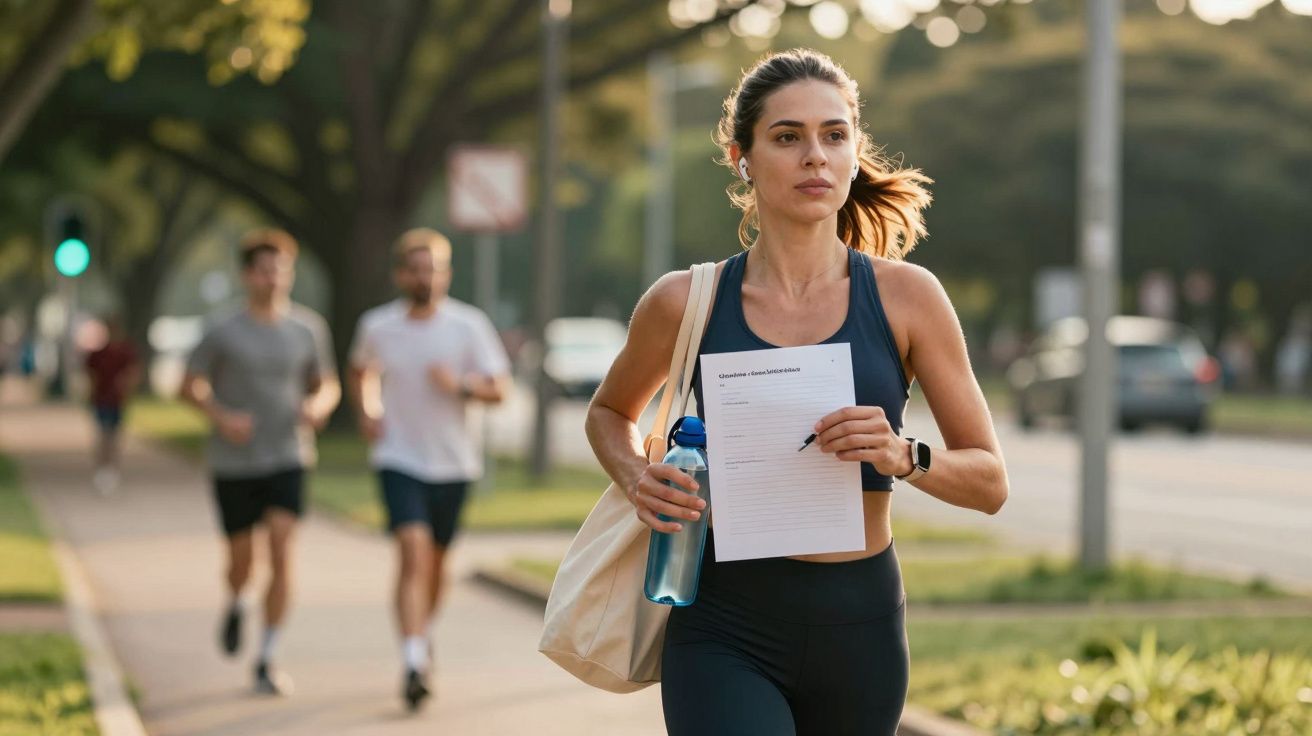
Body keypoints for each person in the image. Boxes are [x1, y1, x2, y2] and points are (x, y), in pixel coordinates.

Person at [585, 49, 1009, 735]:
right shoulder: (683, 301)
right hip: (725, 620)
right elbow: (609, 413)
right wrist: (638, 477)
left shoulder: (909, 297)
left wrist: (904, 455)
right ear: (741, 157)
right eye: (788, 137)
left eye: (834, 135)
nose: (815, 156)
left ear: (853, 150)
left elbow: (989, 482)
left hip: (861, 623)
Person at [347, 228, 511, 711]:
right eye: (416, 269)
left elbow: (499, 391)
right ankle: (414, 659)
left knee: (438, 565)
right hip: (398, 457)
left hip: (454, 464)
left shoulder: (468, 326)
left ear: (446, 274)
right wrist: (367, 409)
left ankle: (423, 631)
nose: (425, 277)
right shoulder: (378, 326)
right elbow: (361, 370)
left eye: (434, 269)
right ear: (401, 274)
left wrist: (458, 385)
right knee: (412, 550)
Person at [179, 229, 339, 696]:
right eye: (265, 270)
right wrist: (221, 416)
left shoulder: (308, 329)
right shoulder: (222, 328)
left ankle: (267, 655)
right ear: (247, 274)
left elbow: (326, 382)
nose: (274, 278)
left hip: (289, 455)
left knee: (283, 552)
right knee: (241, 561)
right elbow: (188, 384)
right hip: (234, 461)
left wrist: (320, 406)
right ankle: (236, 599)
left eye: (281, 269)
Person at [84, 315, 140, 494]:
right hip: (101, 399)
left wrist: (126, 386)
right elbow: (91, 376)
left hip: (117, 400)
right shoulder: (98, 353)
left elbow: (134, 372)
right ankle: (102, 468)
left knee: (113, 435)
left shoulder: (125, 351)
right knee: (102, 434)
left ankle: (112, 469)